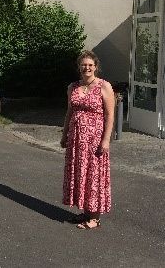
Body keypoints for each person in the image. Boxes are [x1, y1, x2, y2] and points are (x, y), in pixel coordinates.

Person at [60, 50, 115, 230]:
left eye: (90, 65)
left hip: (95, 139)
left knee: (93, 175)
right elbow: (69, 112)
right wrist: (64, 133)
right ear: (79, 67)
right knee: (80, 173)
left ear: (96, 67)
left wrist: (106, 140)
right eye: (84, 65)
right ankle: (86, 211)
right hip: (76, 139)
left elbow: (110, 114)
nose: (87, 68)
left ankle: (95, 217)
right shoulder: (73, 87)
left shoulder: (104, 86)